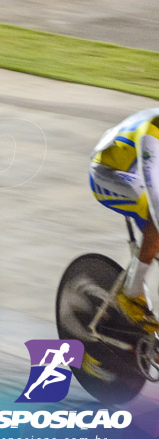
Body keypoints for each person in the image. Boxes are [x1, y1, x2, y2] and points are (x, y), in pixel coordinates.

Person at [90, 108, 159, 333]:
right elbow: (154, 193)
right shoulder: (152, 133)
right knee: (152, 211)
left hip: (134, 170)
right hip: (107, 174)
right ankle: (131, 293)